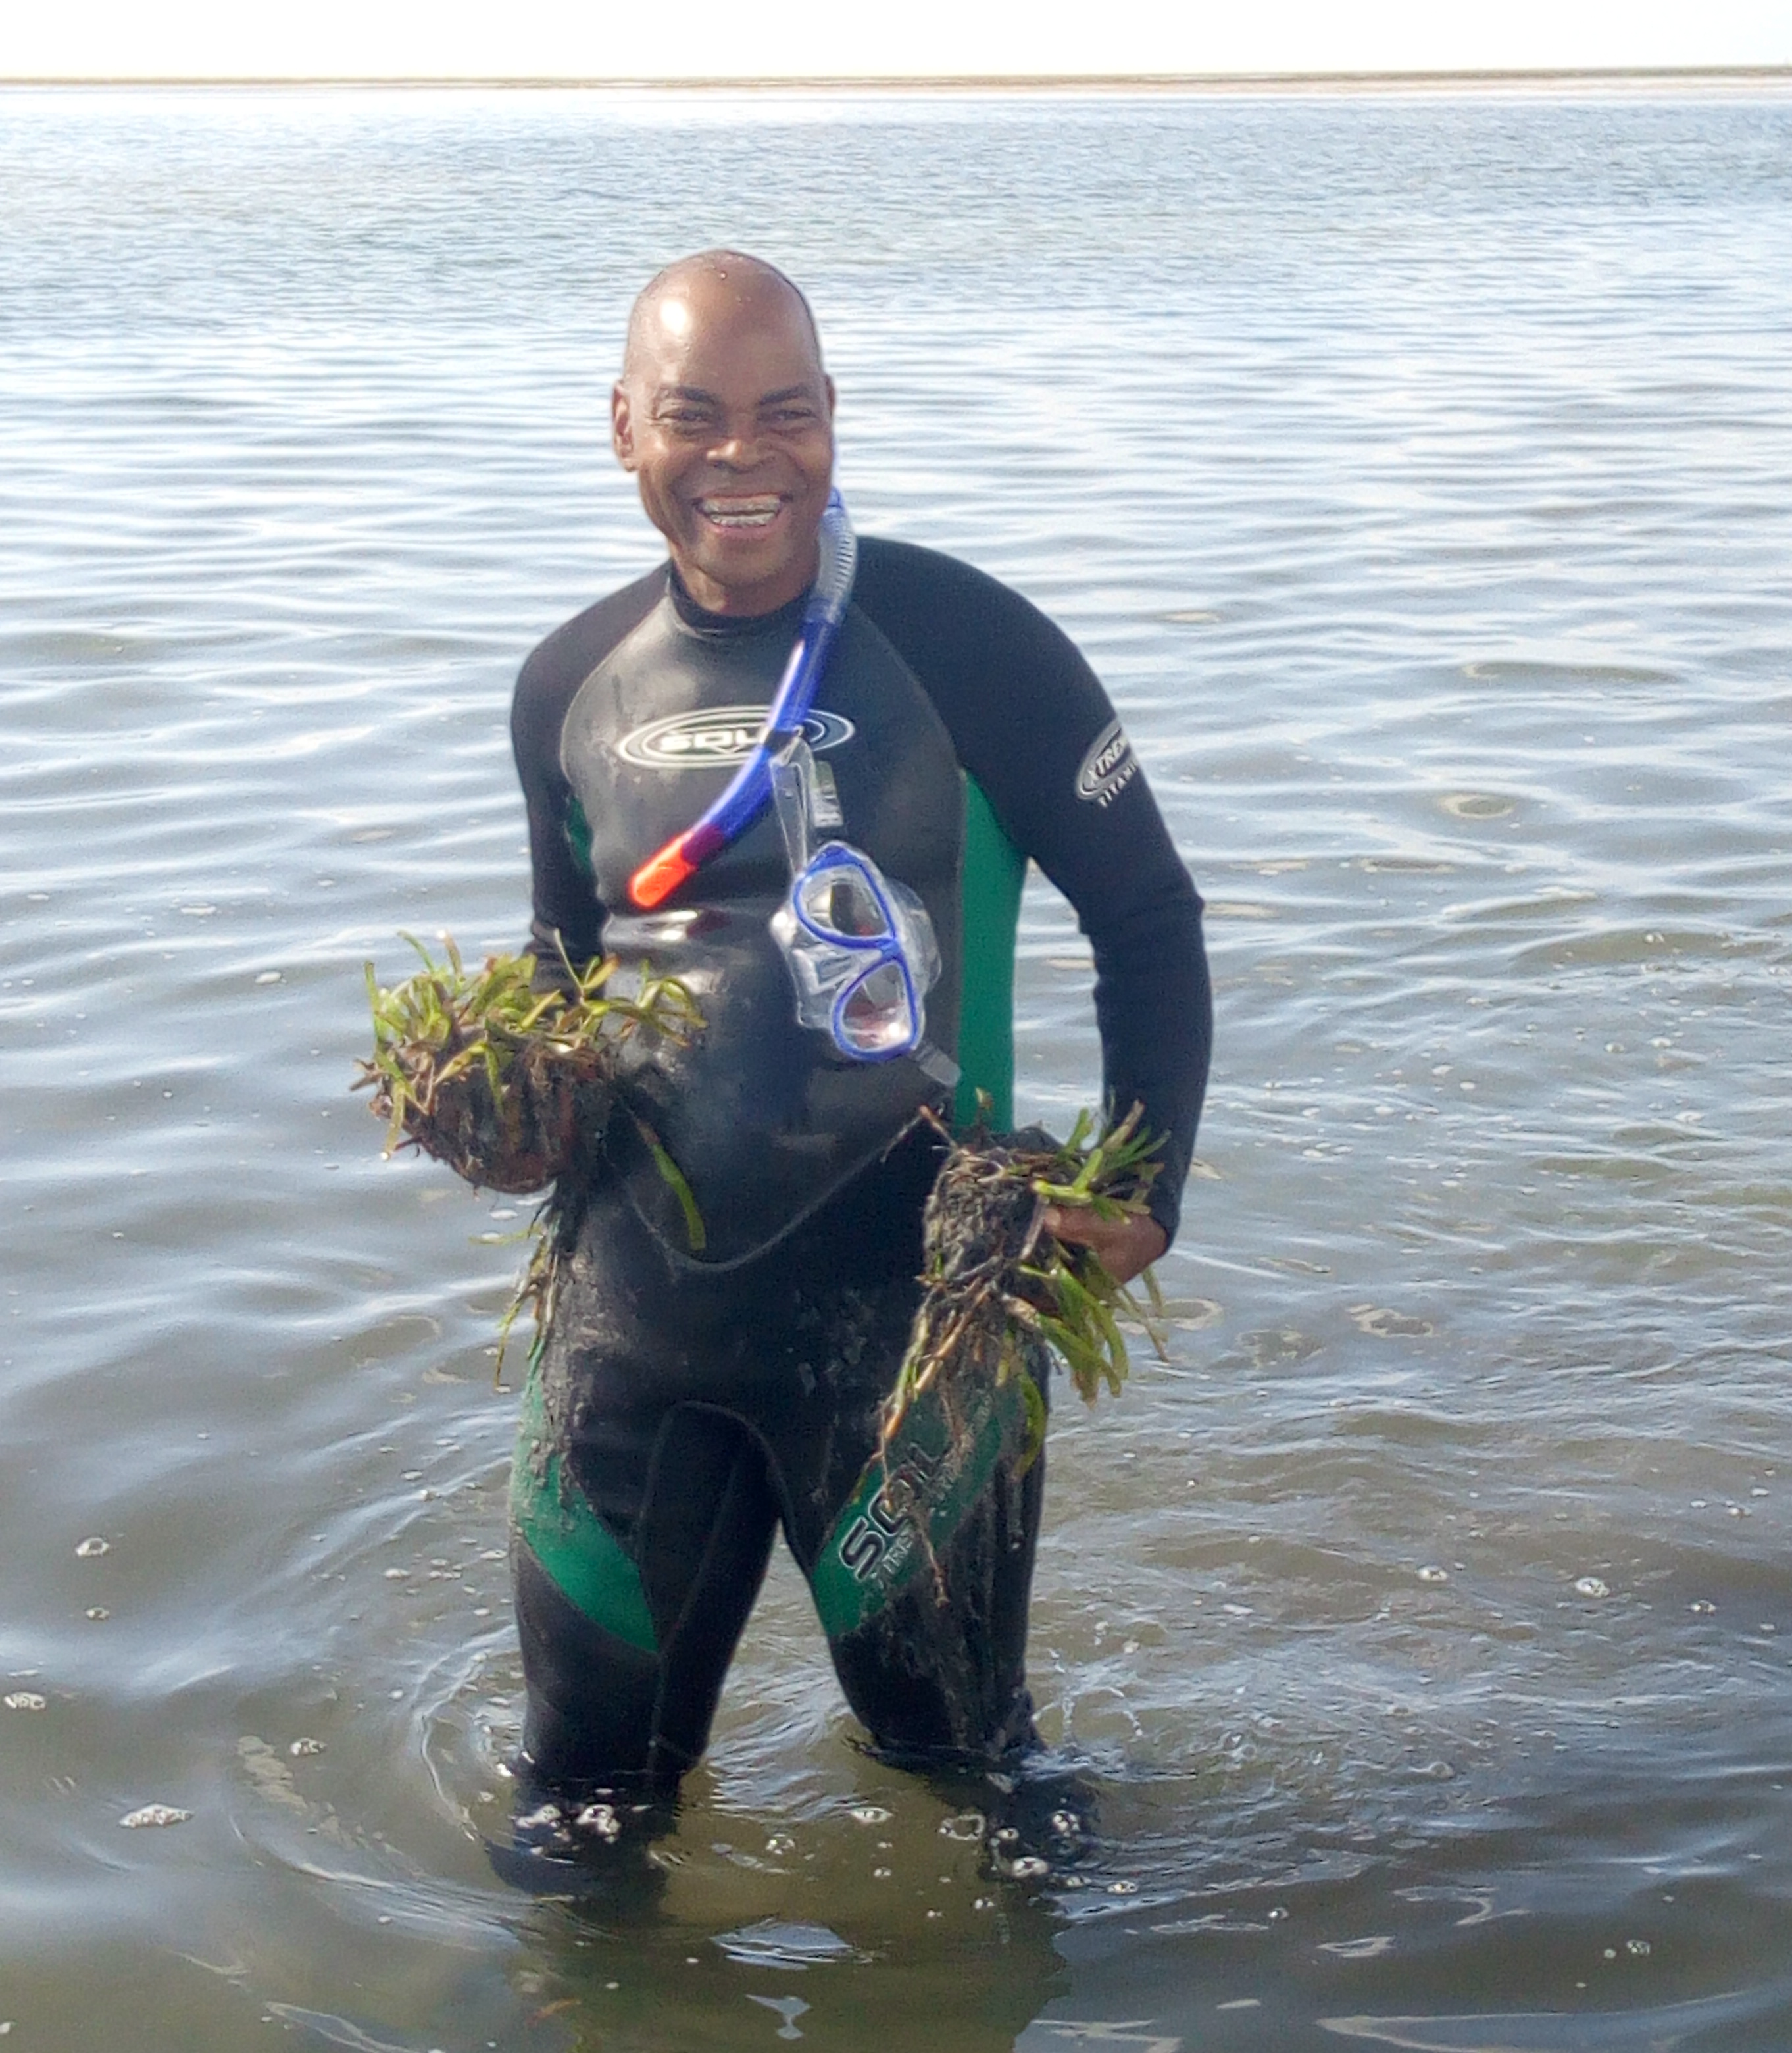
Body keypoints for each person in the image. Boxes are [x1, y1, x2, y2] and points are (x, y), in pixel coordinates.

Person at [499, 250, 1209, 1871]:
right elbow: (561, 985)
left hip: (916, 1327)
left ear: (834, 425)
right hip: (635, 1331)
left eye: (785, 413)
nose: (743, 456)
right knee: (573, 1827)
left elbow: (1151, 920)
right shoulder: (566, 688)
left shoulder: (975, 650)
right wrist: (511, 1112)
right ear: (622, 429)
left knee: (982, 1805)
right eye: (695, 415)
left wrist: (1150, 1184)